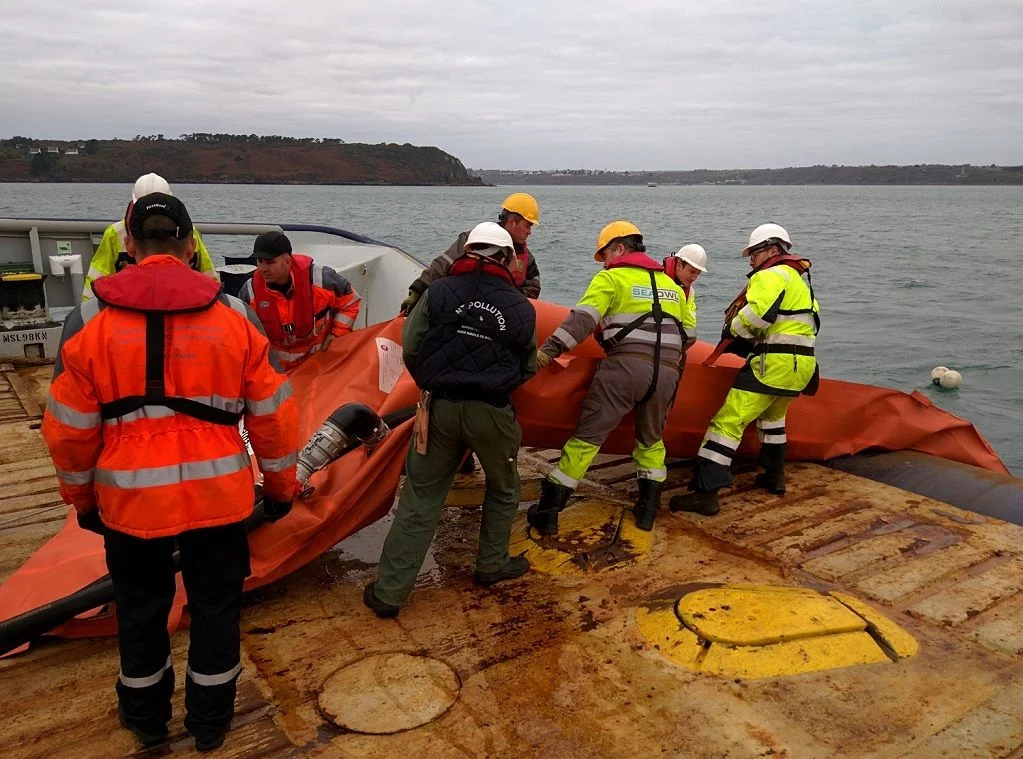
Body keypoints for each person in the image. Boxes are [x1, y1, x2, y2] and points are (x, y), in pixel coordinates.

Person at [41, 192, 299, 752]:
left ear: (128, 245)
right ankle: (210, 724)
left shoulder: (87, 321)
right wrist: (280, 490)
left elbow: (68, 430)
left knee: (140, 608)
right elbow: (275, 418)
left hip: (129, 503)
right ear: (189, 246)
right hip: (219, 501)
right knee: (215, 607)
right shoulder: (235, 317)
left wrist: (84, 501)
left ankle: (145, 718)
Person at [364, 221, 537, 618]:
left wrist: (433, 383)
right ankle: (491, 564)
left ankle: (389, 593)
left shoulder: (438, 292)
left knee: (422, 496)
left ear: (465, 253)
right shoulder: (520, 307)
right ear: (508, 259)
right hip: (493, 412)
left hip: (440, 407)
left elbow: (412, 346)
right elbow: (528, 366)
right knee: (504, 487)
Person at [527, 221, 689, 535]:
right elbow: (688, 336)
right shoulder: (673, 286)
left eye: (605, 255)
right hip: (668, 373)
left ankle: (548, 512)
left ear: (618, 248)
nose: (604, 262)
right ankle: (647, 512)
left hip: (625, 370)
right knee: (651, 441)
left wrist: (548, 352)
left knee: (586, 440)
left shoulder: (612, 278)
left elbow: (583, 320)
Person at [670, 223, 819, 517]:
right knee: (773, 421)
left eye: (754, 253)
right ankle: (774, 477)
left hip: (772, 363)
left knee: (727, 424)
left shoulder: (769, 276)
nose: (750, 260)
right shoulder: (800, 281)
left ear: (773, 250)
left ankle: (706, 493)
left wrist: (732, 329)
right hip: (802, 366)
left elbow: (755, 317)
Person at [399, 192, 542, 315]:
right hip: (462, 304)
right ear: (512, 221)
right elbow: (443, 265)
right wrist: (417, 291)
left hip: (498, 314)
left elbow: (533, 289)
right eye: (528, 225)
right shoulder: (473, 240)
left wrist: (505, 298)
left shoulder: (528, 259)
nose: (530, 231)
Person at [238, 231, 361, 372]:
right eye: (260, 261)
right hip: (276, 371)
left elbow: (350, 302)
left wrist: (336, 334)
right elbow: (242, 332)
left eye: (270, 262)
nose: (263, 268)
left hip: (320, 364)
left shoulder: (321, 280)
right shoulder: (250, 292)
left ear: (287, 261)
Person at [82, 173, 217, 301]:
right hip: (177, 305)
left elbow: (96, 280)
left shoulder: (116, 232)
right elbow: (209, 278)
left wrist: (90, 314)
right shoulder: (187, 232)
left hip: (129, 307)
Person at [662, 243, 707, 348]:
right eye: (692, 272)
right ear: (678, 264)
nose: (694, 278)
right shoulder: (654, 281)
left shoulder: (689, 292)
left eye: (697, 273)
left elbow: (690, 332)